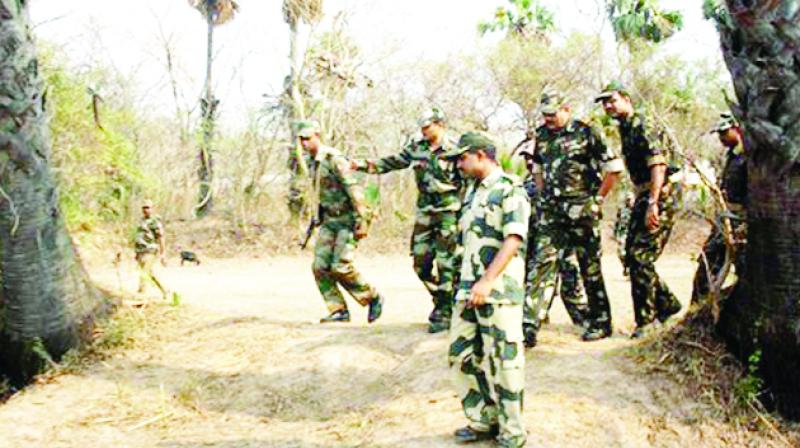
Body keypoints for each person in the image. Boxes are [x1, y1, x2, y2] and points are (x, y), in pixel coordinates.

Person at [445, 132, 529, 448]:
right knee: (459, 354)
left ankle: (513, 434)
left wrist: (488, 281)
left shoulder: (510, 188)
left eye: (462, 158)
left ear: (481, 155)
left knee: (505, 363)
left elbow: (514, 239)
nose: (458, 164)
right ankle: (484, 419)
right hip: (468, 290)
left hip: (498, 291)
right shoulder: (473, 193)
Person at [351, 108, 462, 333]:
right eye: (421, 127)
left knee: (446, 264)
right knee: (420, 263)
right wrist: (361, 165)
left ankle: (444, 311)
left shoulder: (455, 149)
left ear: (439, 124)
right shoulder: (417, 148)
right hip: (425, 213)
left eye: (427, 126)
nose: (423, 131)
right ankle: (442, 299)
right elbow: (391, 163)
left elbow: (469, 177)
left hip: (449, 212)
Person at [526, 91, 623, 342]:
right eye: (545, 114)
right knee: (541, 263)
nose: (548, 119)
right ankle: (529, 324)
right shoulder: (542, 135)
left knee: (589, 267)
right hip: (551, 213)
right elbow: (536, 168)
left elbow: (613, 168)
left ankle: (601, 322)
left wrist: (597, 199)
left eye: (553, 114)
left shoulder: (587, 131)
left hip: (582, 211)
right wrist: (542, 193)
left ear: (566, 109)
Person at [596, 81, 683, 338]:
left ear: (625, 98)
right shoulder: (625, 128)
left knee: (640, 256)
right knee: (631, 255)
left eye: (611, 100)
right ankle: (667, 304)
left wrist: (653, 202)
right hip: (644, 194)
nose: (607, 106)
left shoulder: (643, 124)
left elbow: (658, 165)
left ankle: (647, 321)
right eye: (604, 103)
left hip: (660, 193)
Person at [296, 120, 384, 324]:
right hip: (329, 221)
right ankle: (338, 310)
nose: (304, 143)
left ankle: (372, 296)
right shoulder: (312, 162)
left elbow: (352, 187)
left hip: (347, 220)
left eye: (307, 138)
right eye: (301, 139)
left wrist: (363, 219)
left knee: (341, 266)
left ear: (318, 136)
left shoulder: (333, 158)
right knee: (319, 266)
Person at [520, 150, 587, 348]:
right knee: (538, 279)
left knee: (571, 279)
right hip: (537, 238)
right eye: (526, 158)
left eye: (533, 158)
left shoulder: (560, 179)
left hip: (564, 237)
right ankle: (531, 324)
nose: (530, 162)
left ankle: (582, 318)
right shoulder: (524, 185)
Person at [691, 113, 747, 304]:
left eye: (724, 133)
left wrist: (745, 224)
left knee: (744, 269)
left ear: (737, 128)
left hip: (742, 221)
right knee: (708, 263)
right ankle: (698, 310)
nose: (721, 138)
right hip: (725, 219)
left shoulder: (750, 157)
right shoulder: (732, 156)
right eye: (719, 134)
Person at [133, 199, 168, 298]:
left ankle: (141, 294)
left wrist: (163, 253)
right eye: (144, 207)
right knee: (150, 273)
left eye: (148, 207)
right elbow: (139, 236)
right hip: (141, 251)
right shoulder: (142, 221)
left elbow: (160, 237)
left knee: (144, 273)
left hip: (150, 251)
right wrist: (136, 253)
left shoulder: (155, 221)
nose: (145, 210)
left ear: (152, 209)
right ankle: (165, 290)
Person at [613, 192, 636, 277]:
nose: (628, 201)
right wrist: (615, 233)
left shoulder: (637, 209)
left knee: (632, 253)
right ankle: (625, 266)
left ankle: (630, 269)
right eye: (627, 199)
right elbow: (617, 222)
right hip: (623, 234)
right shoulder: (622, 210)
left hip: (633, 234)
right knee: (621, 252)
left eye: (630, 199)